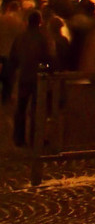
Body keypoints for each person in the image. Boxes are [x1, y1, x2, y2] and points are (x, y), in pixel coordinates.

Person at [9, 11, 53, 147]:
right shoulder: (43, 38)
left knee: (21, 108)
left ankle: (19, 138)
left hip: (23, 75)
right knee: (37, 109)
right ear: (40, 22)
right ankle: (35, 138)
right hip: (37, 77)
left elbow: (13, 57)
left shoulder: (20, 37)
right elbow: (48, 57)